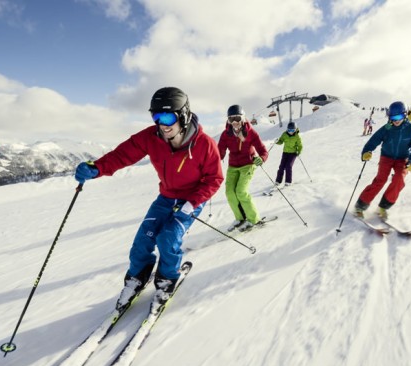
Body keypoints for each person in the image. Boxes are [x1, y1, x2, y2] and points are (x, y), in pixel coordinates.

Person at [74, 87, 223, 309]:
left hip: (190, 201)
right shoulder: (151, 137)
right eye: (156, 116)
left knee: (168, 239)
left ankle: (166, 279)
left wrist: (192, 203)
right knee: (143, 240)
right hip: (165, 198)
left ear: (183, 114)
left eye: (167, 116)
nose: (162, 124)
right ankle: (136, 278)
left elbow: (215, 178)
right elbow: (121, 155)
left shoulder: (204, 144)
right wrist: (97, 169)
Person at [354, 101, 411, 220]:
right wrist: (366, 152)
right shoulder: (386, 128)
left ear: (405, 115)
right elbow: (373, 141)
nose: (396, 120)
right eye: (393, 117)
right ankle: (360, 206)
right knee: (381, 180)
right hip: (386, 157)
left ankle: (383, 207)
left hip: (402, 159)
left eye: (399, 117)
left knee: (399, 179)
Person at [218, 104, 268, 232]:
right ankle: (240, 218)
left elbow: (263, 150)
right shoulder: (226, 134)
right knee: (230, 193)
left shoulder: (251, 133)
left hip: (247, 165)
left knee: (241, 191)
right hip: (233, 166)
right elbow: (220, 151)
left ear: (243, 118)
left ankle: (253, 219)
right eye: (231, 119)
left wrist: (261, 158)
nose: (235, 122)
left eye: (237, 118)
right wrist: (215, 158)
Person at [274, 121, 303, 185]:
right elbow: (281, 141)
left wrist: (299, 151)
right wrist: (277, 141)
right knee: (281, 166)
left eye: (292, 130)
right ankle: (278, 181)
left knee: (288, 166)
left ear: (295, 130)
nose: (290, 132)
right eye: (289, 130)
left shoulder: (297, 136)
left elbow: (300, 145)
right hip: (285, 153)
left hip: (293, 153)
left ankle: (288, 181)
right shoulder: (284, 134)